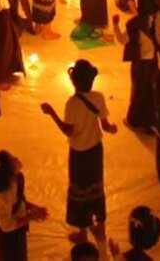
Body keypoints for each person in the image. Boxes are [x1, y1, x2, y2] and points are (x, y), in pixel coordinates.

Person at [39, 58, 116, 238]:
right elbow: (105, 125)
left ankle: (83, 230)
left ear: (74, 81)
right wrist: (112, 128)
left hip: (78, 154)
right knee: (97, 187)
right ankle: (101, 226)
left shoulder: (71, 104)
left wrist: (52, 114)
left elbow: (69, 131)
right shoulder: (98, 97)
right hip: (96, 150)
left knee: (80, 191)